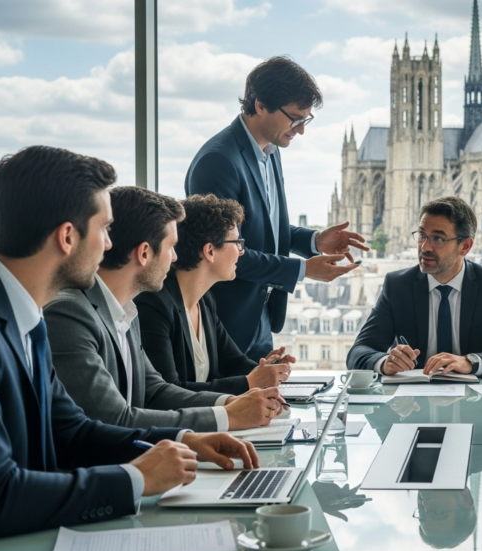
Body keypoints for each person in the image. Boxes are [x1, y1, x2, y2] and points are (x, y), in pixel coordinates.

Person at [0, 146, 257, 551]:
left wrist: (185, 438)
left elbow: (74, 430)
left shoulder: (20, 313)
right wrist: (134, 479)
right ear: (67, 236)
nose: (109, 244)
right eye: (104, 229)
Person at [44, 187, 285, 432]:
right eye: (171, 247)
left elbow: (155, 391)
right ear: (145, 253)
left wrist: (232, 404)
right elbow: (114, 419)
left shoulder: (126, 311)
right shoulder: (69, 314)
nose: (174, 258)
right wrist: (227, 416)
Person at [185, 56, 369, 362]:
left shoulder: (270, 151)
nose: (300, 130)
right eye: (295, 118)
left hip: (262, 316)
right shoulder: (218, 161)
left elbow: (263, 229)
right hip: (226, 319)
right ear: (260, 105)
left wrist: (312, 242)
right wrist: (302, 270)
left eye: (305, 120)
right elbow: (222, 251)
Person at [347, 196, 482, 379]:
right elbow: (358, 352)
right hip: (413, 402)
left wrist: (472, 362)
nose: (425, 247)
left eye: (438, 238)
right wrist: (384, 362)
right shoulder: (398, 285)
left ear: (465, 246)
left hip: (475, 398)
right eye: (421, 235)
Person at [137, 194, 295, 394]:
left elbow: (232, 362)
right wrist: (250, 382)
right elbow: (167, 393)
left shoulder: (204, 300)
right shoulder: (154, 305)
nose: (241, 251)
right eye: (237, 242)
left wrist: (265, 369)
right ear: (210, 251)